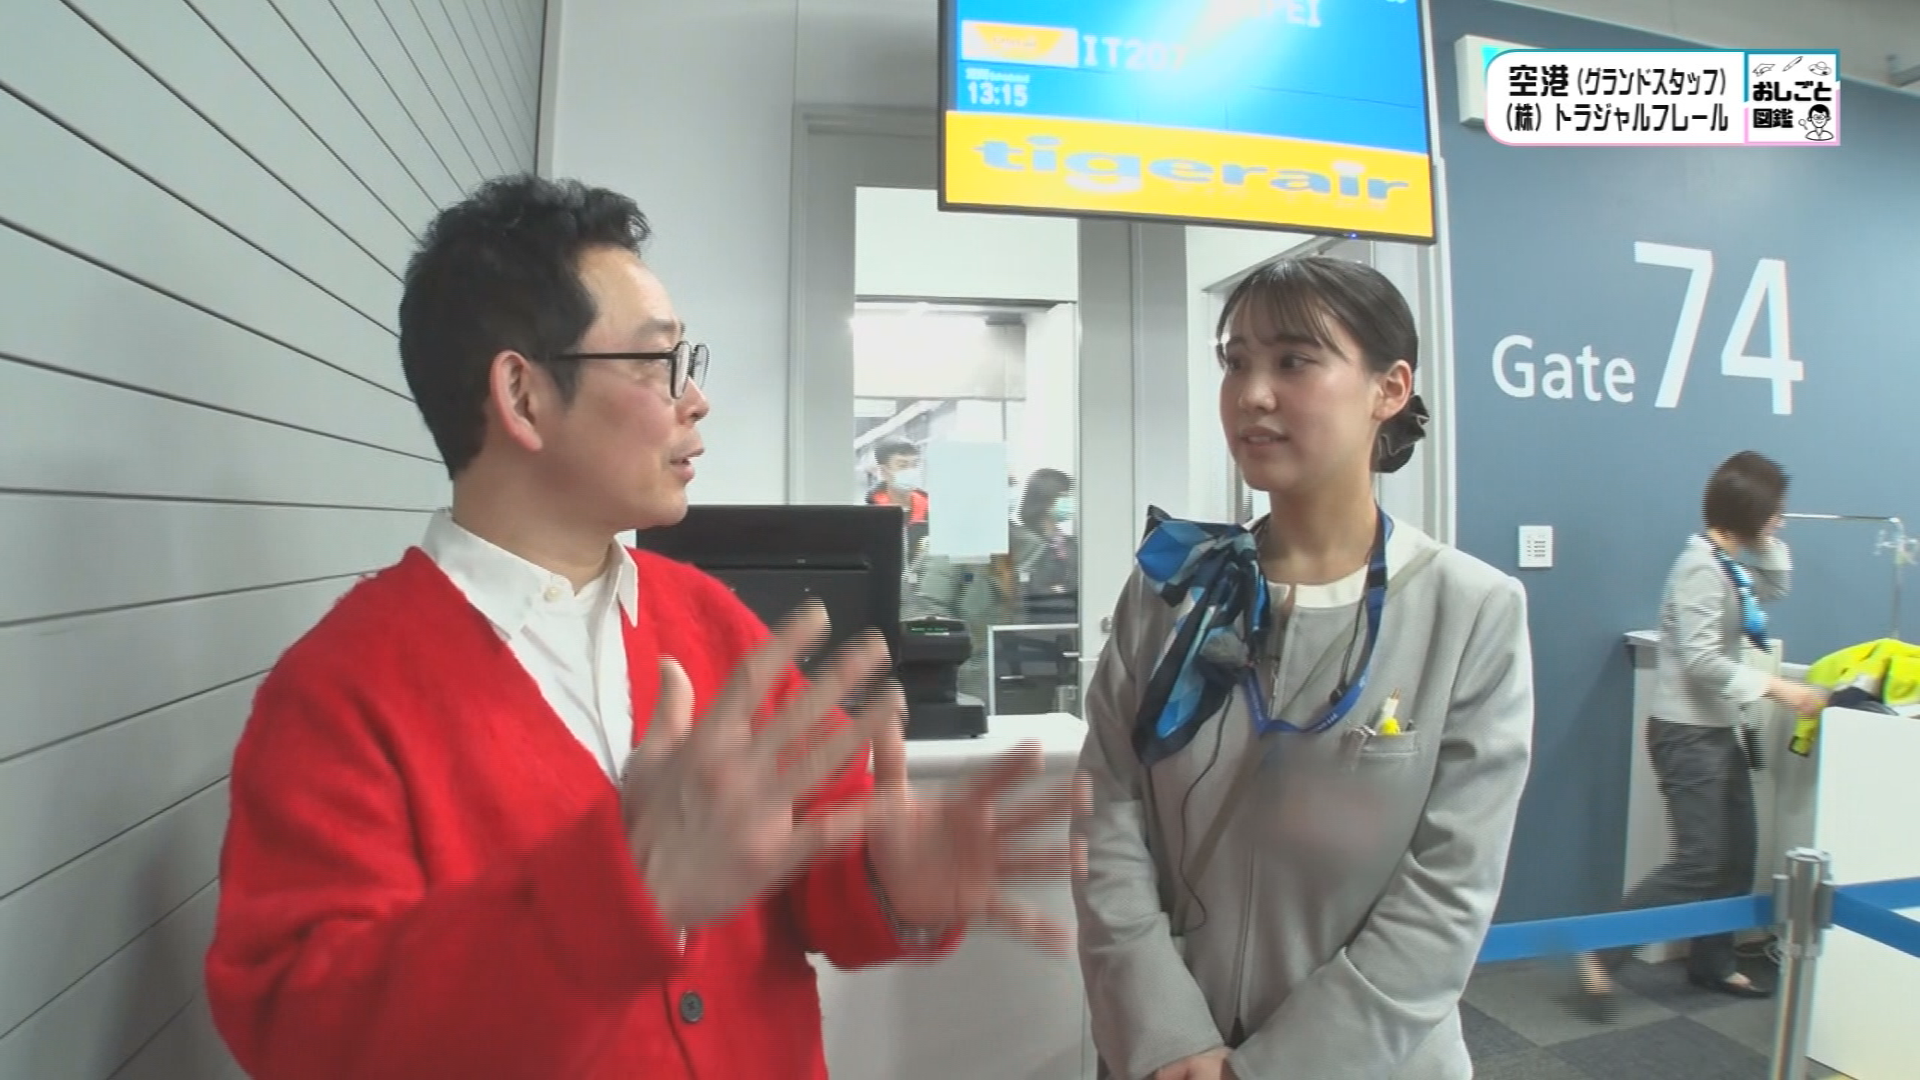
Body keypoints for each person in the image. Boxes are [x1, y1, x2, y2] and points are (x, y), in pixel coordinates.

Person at [203, 175, 1080, 1080]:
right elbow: (306, 1032)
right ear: (523, 395)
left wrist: (892, 880)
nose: (694, 399)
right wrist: (621, 897)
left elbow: (817, 865)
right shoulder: (338, 692)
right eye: (658, 364)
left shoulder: (709, 621)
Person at [1072, 256, 1535, 1080]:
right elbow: (1107, 815)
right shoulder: (1173, 590)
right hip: (1167, 1056)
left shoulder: (1469, 611)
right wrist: (1167, 1037)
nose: (1252, 394)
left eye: (1293, 361)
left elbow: (1447, 892)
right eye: (1235, 361)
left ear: (1389, 388)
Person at [1575, 451, 1827, 1016]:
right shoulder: (1700, 569)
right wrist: (1779, 689)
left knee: (1737, 860)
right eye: (1774, 511)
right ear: (1749, 512)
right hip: (1687, 735)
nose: (1781, 519)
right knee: (1700, 861)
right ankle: (1599, 952)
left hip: (1716, 729)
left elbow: (1777, 586)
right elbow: (1701, 659)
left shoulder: (1729, 565)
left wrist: (1765, 537)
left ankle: (1713, 963)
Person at [913, 468, 1078, 703]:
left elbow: (1042, 604)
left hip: (1029, 666)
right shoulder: (951, 549)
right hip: (972, 671)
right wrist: (957, 660)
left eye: (1010, 486)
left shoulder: (1030, 545)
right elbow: (931, 613)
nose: (1009, 494)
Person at [866, 438, 930, 562]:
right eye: (903, 466)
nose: (911, 471)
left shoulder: (934, 512)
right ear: (884, 472)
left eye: (915, 465)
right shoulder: (870, 514)